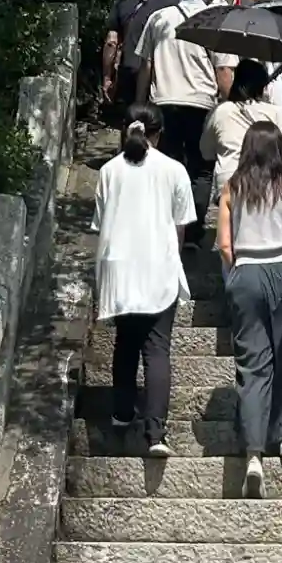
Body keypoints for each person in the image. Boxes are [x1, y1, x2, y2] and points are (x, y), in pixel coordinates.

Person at [219, 123, 282, 494]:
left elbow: (225, 245)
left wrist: (239, 274)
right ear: (280, 150)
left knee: (252, 367)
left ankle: (253, 453)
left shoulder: (232, 188)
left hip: (247, 274)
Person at [92, 104, 193, 456]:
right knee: (157, 349)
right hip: (158, 265)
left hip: (119, 267)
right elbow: (180, 227)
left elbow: (101, 223)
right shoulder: (175, 170)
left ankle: (122, 413)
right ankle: (156, 434)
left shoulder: (108, 171)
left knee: (125, 342)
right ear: (159, 133)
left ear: (126, 130)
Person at [141, 0, 223, 181]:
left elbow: (146, 65)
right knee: (201, 169)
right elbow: (223, 69)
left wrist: (140, 102)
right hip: (201, 104)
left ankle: (169, 201)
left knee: (167, 167)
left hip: (164, 101)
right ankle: (196, 202)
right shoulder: (216, 20)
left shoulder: (158, 17)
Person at [201, 59, 282, 224]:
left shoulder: (220, 111)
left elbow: (206, 151)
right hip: (267, 180)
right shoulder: (273, 112)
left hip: (229, 182)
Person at [103, 0, 166, 112]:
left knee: (130, 116)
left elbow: (111, 42)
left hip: (129, 69)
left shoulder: (123, 2)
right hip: (159, 72)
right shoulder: (171, 2)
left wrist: (107, 77)